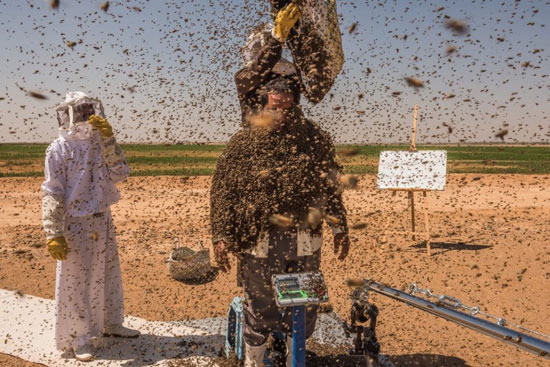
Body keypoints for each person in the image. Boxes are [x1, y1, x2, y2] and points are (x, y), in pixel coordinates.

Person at [211, 77, 351, 367]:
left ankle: (293, 359)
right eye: (275, 93)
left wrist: (339, 226)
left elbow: (331, 184)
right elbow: (223, 190)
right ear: (265, 100)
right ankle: (254, 362)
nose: (282, 100)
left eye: (288, 93)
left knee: (306, 302)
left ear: (296, 99)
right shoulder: (244, 141)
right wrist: (221, 234)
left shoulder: (315, 137)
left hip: (304, 236)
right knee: (260, 305)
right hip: (257, 237)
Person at [41, 92, 139, 362]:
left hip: (102, 217)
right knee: (77, 282)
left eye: (89, 108)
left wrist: (109, 140)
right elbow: (52, 191)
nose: (86, 114)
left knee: (109, 272)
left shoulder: (100, 143)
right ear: (69, 113)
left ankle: (112, 323)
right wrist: (53, 232)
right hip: (75, 223)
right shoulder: (58, 148)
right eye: (82, 110)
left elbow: (121, 173)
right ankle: (78, 338)